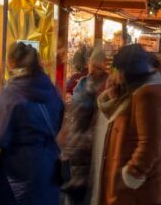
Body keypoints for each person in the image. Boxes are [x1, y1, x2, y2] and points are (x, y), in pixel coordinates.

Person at [91, 44, 161, 205]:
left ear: (127, 71)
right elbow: (119, 120)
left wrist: (133, 173)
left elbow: (150, 143)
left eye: (117, 71)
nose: (115, 75)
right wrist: (113, 95)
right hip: (126, 186)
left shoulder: (147, 95)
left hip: (137, 191)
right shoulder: (135, 92)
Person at [0, 42, 64, 205]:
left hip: (20, 170)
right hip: (48, 165)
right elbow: (59, 121)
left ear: (12, 63)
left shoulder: (12, 93)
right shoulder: (51, 89)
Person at [61, 48, 109, 205]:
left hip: (81, 144)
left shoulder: (85, 84)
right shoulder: (106, 84)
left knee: (78, 189)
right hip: (93, 144)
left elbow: (76, 110)